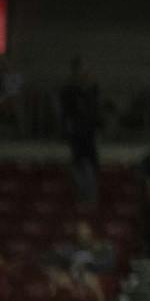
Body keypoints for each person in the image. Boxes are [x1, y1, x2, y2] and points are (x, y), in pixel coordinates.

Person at [58, 59, 100, 207]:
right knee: (79, 164)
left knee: (89, 164)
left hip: (88, 131)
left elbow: (93, 110)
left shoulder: (92, 89)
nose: (86, 73)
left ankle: (90, 196)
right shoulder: (69, 90)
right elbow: (66, 112)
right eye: (83, 70)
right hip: (77, 131)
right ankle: (82, 196)